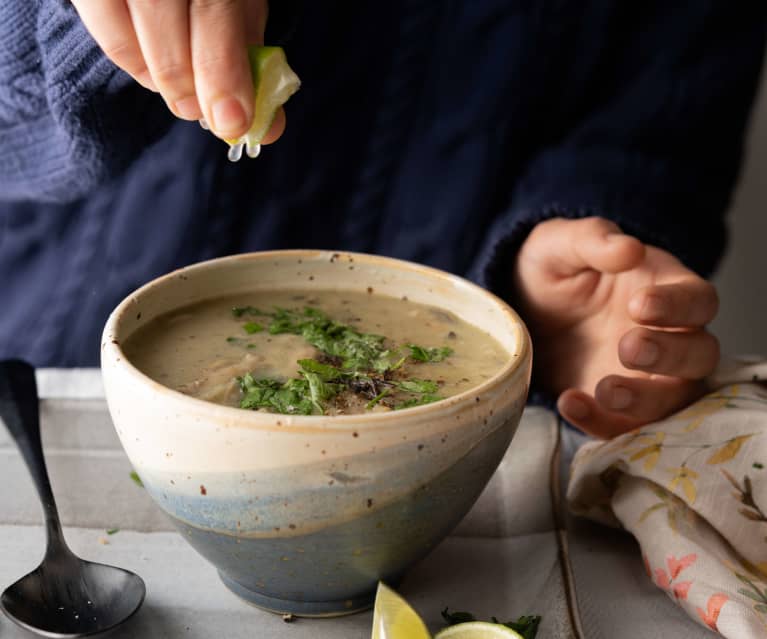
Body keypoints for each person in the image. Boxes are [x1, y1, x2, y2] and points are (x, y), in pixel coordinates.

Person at [1, 1, 765, 439]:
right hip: (47, 397)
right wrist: (74, 22)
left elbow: (655, 140)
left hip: (465, 441)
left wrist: (548, 293)